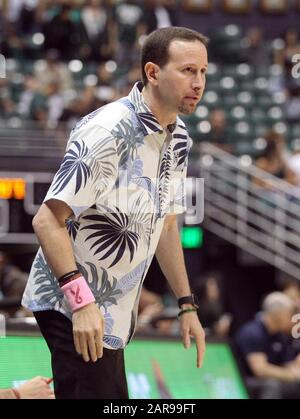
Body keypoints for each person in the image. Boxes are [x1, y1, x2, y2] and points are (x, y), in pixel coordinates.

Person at [22, 26, 208, 399]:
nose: (198, 82)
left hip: (113, 313)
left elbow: (166, 225)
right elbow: (46, 220)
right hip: (73, 304)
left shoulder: (180, 136)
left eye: (203, 73)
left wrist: (187, 305)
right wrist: (82, 304)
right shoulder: (110, 130)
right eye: (188, 70)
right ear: (152, 72)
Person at [235, 292, 300, 399]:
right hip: (245, 379)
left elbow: (287, 364)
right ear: (278, 314)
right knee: (271, 385)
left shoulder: (280, 336)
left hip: (272, 380)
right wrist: (292, 375)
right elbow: (260, 370)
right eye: (290, 313)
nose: (292, 318)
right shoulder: (252, 332)